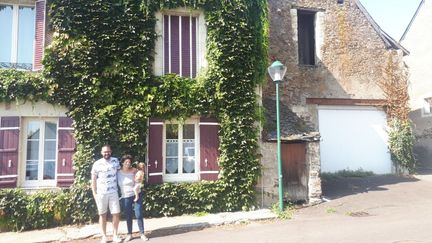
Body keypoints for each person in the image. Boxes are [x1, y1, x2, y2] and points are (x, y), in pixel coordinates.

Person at [91, 144, 122, 243]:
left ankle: (115, 235)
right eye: (104, 152)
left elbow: (121, 173)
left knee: (116, 213)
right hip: (101, 193)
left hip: (113, 192)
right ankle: (104, 236)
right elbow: (93, 180)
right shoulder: (97, 164)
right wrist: (94, 194)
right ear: (101, 153)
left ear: (111, 151)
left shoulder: (116, 161)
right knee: (102, 214)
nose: (106, 153)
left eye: (108, 151)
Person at [117, 155, 148, 242]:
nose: (128, 163)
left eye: (129, 162)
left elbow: (141, 175)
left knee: (138, 214)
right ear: (122, 162)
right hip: (125, 197)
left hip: (136, 195)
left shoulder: (134, 170)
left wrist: (139, 182)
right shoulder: (118, 172)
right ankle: (129, 234)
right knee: (128, 216)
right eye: (126, 162)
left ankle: (142, 233)